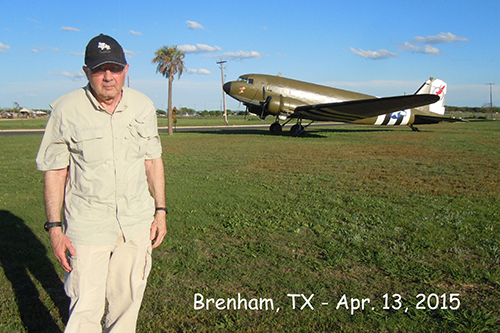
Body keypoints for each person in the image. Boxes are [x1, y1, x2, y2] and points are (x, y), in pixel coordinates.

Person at [36, 34, 167, 333]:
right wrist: (55, 230)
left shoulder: (143, 106)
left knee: (127, 305)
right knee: (85, 309)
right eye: (99, 69)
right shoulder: (66, 110)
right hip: (87, 226)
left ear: (125, 70)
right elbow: (55, 172)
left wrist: (160, 210)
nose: (108, 77)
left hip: (135, 224)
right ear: (86, 72)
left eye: (115, 68)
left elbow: (152, 160)